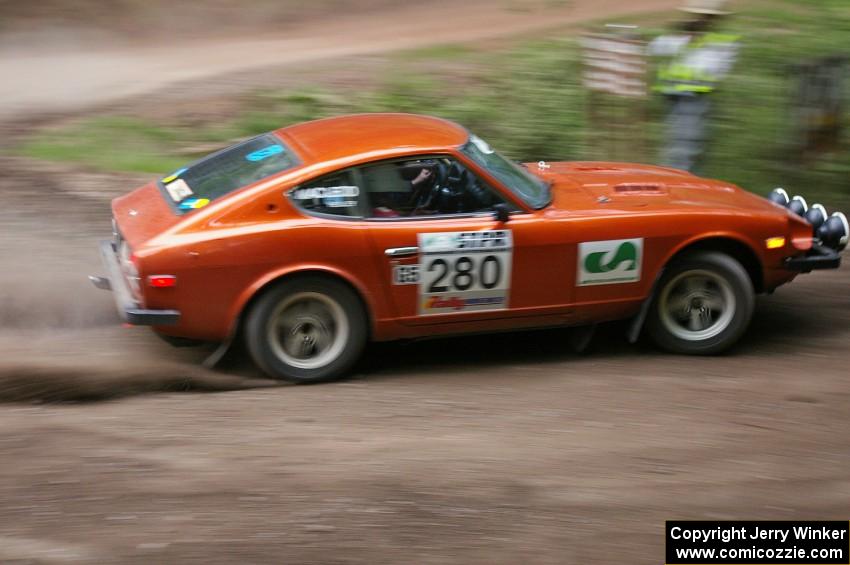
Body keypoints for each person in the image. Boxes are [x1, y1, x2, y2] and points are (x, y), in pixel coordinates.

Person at [649, 0, 740, 172]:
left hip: (694, 96)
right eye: (698, 15)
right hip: (672, 95)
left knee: (686, 144)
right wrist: (680, 36)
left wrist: (693, 41)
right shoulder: (680, 37)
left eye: (705, 16)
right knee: (677, 142)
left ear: (713, 19)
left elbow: (714, 68)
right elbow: (655, 48)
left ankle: (681, 180)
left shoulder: (721, 42)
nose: (700, 19)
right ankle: (677, 178)